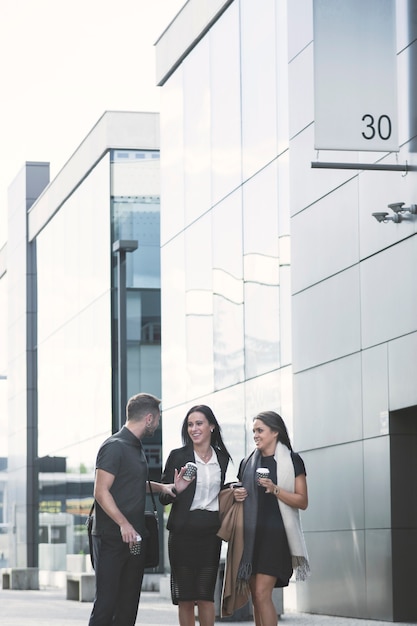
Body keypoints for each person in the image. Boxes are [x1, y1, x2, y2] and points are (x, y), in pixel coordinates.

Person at [88, 392, 177, 626]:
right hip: (111, 539)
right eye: (157, 419)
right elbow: (101, 491)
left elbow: (133, 483)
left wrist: (163, 488)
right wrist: (123, 523)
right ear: (149, 418)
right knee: (106, 606)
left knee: (128, 608)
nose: (157, 425)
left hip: (135, 541)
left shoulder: (136, 447)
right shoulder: (114, 446)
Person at [232, 411, 310, 626]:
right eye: (254, 431)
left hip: (277, 538)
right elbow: (239, 497)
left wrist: (275, 489)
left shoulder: (292, 460)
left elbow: (302, 501)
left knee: (261, 593)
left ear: (275, 432)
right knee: (256, 597)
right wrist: (236, 494)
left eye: (260, 430)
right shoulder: (246, 463)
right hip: (252, 538)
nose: (255, 435)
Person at [159, 405, 232, 626]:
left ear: (211, 426)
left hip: (210, 534)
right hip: (183, 534)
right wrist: (176, 489)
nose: (194, 428)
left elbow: (223, 491)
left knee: (206, 597)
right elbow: (163, 497)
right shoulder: (177, 456)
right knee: (186, 598)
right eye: (190, 424)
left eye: (199, 423)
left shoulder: (222, 457)